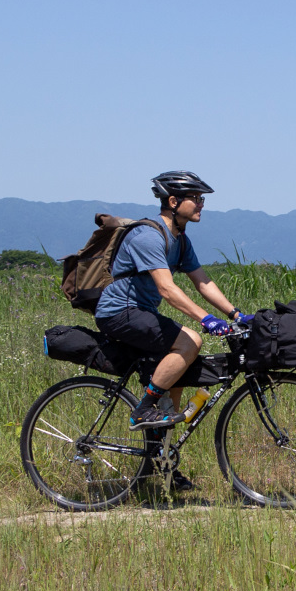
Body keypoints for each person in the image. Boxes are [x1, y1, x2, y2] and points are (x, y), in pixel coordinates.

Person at [94, 170, 249, 434]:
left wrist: (236, 315)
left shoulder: (180, 240)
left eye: (202, 199)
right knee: (190, 341)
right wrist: (206, 319)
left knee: (173, 396)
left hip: (140, 312)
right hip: (119, 312)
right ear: (174, 202)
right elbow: (166, 289)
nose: (201, 204)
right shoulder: (148, 236)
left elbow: (203, 282)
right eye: (195, 198)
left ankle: (162, 465)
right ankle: (143, 410)